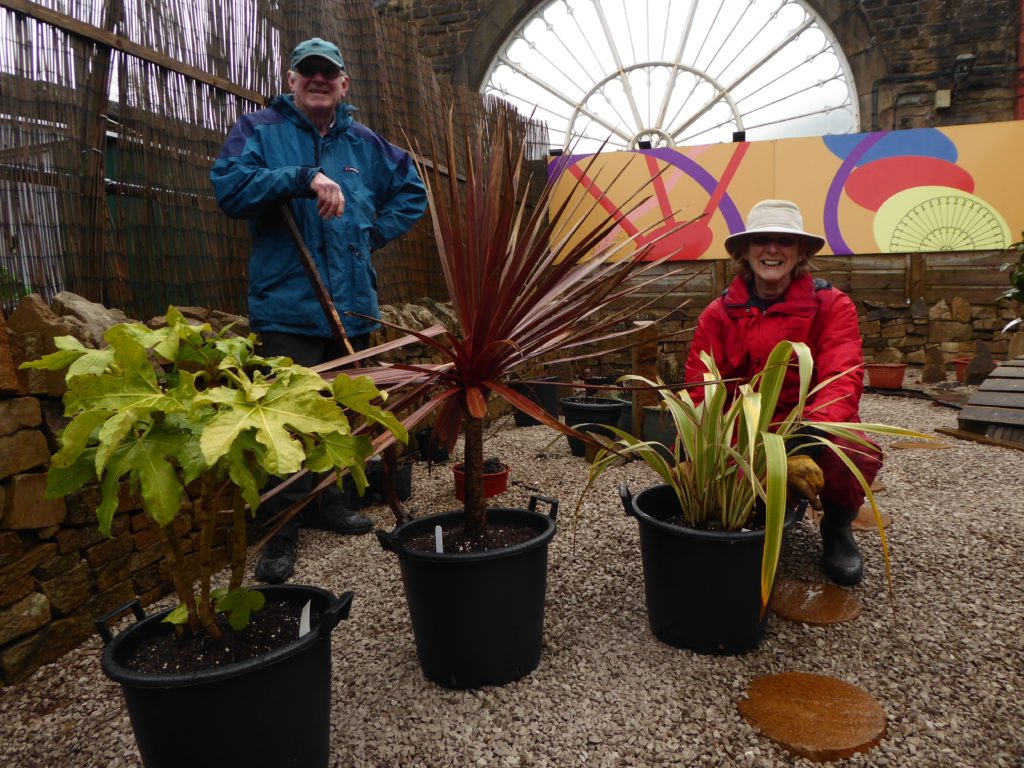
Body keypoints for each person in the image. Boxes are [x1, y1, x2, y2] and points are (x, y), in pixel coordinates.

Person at [210, 37, 427, 583]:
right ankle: (279, 533)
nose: (318, 81)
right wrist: (302, 177)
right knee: (283, 427)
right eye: (308, 73)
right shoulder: (260, 132)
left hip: (352, 307)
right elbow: (230, 188)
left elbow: (413, 191)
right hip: (289, 307)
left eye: (327, 73)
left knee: (339, 419)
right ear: (292, 80)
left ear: (343, 83)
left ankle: (329, 506)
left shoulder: (363, 143)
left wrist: (366, 235)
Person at [684, 199, 882, 586]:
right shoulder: (719, 313)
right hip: (743, 431)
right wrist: (723, 447)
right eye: (762, 240)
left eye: (784, 241)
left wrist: (803, 445)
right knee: (686, 449)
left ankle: (837, 528)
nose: (772, 249)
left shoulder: (831, 305)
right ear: (744, 250)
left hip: (807, 427)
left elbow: (842, 380)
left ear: (802, 251)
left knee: (853, 451)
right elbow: (700, 388)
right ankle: (734, 519)